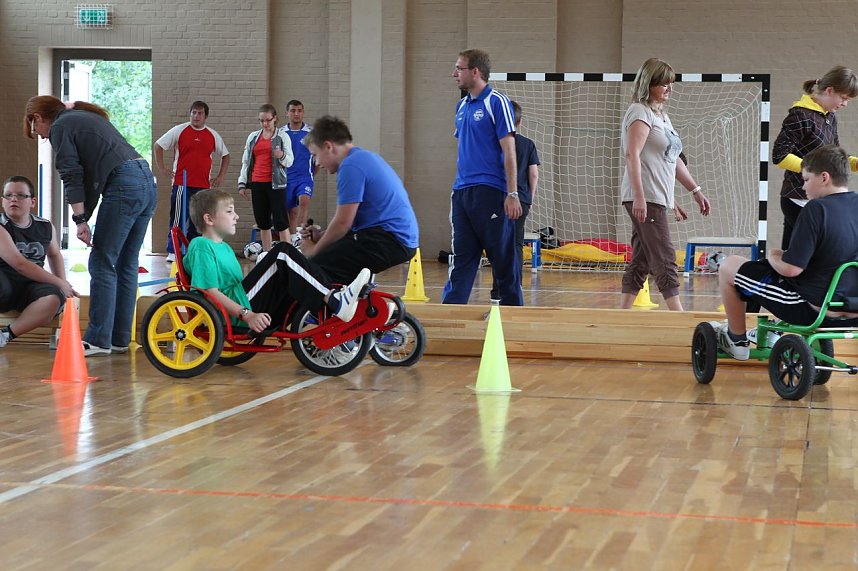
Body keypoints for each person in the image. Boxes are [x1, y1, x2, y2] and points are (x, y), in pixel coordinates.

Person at [24, 95, 157, 356]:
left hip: (124, 184)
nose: (41, 137)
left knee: (101, 261)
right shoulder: (84, 117)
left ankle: (97, 339)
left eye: (35, 129)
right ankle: (119, 339)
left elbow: (72, 174)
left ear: (38, 118)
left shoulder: (61, 126)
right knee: (126, 263)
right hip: (146, 181)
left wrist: (80, 219)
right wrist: (83, 218)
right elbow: (94, 180)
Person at [716, 145, 858, 360]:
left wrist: (774, 256)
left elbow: (791, 269)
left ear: (824, 177)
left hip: (813, 309)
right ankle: (772, 330)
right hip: (853, 311)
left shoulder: (815, 209)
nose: (803, 187)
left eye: (806, 179)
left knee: (729, 266)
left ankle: (736, 340)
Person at [183, 189, 371, 332]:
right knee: (282, 252)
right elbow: (209, 292)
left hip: (244, 302)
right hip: (236, 312)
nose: (236, 216)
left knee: (296, 272)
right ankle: (335, 300)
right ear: (209, 219)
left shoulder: (224, 247)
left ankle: (335, 317)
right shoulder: (201, 245)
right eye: (230, 211)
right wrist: (247, 315)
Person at [619, 58, 711, 312]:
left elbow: (672, 161)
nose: (669, 88)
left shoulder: (662, 116)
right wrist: (639, 196)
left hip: (657, 197)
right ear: (649, 84)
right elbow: (632, 155)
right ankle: (677, 312)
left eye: (671, 83)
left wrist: (695, 191)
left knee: (641, 258)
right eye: (663, 83)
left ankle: (621, 313)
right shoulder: (640, 112)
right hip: (644, 197)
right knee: (664, 254)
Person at [442, 49, 523, 306]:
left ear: (475, 72)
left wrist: (512, 193)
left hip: (491, 192)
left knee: (503, 260)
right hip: (463, 193)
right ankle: (450, 316)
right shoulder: (462, 105)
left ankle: (514, 315)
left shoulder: (497, 102)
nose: (454, 73)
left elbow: (510, 151)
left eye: (459, 68)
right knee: (462, 259)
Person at [299, 116, 419, 285]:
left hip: (389, 239)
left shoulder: (350, 166)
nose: (317, 163)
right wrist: (321, 236)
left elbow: (342, 224)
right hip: (393, 237)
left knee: (313, 268)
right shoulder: (362, 158)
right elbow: (350, 224)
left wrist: (313, 251)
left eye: (315, 155)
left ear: (328, 146)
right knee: (330, 261)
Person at [772, 66, 858, 249]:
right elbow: (780, 156)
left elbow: (834, 157)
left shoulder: (830, 117)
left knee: (791, 252)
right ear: (829, 90)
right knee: (809, 254)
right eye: (843, 98)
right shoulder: (799, 115)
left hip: (817, 198)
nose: (844, 104)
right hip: (797, 197)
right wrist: (815, 172)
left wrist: (855, 163)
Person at [0, 176, 78, 347]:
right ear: (2, 201)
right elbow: (19, 264)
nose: (13, 199)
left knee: (54, 297)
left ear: (32, 202)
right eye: (8, 195)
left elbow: (54, 254)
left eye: (21, 195)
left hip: (30, 285)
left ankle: (5, 335)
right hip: (4, 284)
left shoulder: (45, 226)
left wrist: (63, 285)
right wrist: (59, 282)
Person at [154, 100, 230, 261]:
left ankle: (192, 251)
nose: (196, 116)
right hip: (182, 183)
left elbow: (226, 155)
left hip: (203, 185)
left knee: (198, 220)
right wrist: (162, 168)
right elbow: (158, 145)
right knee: (177, 217)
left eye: (200, 113)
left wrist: (220, 176)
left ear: (205, 116)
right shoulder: (179, 130)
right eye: (193, 112)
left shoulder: (212, 135)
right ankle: (173, 251)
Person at [490, 100, 540, 300]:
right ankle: (515, 288)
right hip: (522, 200)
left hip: (499, 199)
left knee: (498, 244)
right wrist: (529, 197)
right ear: (520, 122)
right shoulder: (528, 144)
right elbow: (533, 174)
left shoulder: (494, 143)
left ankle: (497, 292)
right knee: (516, 244)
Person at [238, 104, 294, 252]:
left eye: (268, 120)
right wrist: (242, 183)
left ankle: (288, 256)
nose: (265, 124)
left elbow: (290, 161)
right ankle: (267, 255)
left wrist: (281, 155)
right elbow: (246, 161)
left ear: (275, 118)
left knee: (281, 221)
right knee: (263, 223)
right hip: (257, 183)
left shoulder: (282, 136)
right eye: (261, 121)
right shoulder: (253, 137)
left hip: (276, 184)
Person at [284, 100, 315, 243]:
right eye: (293, 110)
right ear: (287, 113)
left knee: (304, 201)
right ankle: (291, 239)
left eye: (299, 110)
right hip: (286, 178)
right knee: (291, 210)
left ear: (303, 112)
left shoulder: (310, 133)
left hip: (304, 177)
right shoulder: (281, 133)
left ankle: (301, 238)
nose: (296, 114)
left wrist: (311, 175)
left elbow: (317, 156)